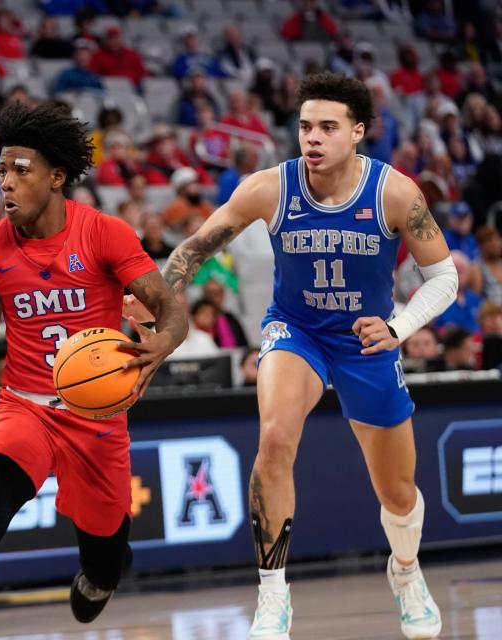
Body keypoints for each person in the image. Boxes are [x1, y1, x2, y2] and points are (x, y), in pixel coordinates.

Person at [156, 72, 458, 639]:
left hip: (368, 343)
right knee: (274, 437)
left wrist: (399, 325)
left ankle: (407, 571)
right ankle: (273, 597)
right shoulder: (270, 187)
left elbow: (444, 278)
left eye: (327, 127)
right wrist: (154, 297)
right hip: (296, 330)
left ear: (358, 132)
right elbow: (194, 248)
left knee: (397, 491)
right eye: (304, 127)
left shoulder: (396, 193)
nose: (312, 138)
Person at [0, 102, 187, 640]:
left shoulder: (104, 233)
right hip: (25, 406)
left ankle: (97, 574)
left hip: (97, 415)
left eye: (22, 170)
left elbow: (169, 307)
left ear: (57, 175)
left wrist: (163, 344)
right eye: (2, 170)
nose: (7, 182)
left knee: (106, 558)